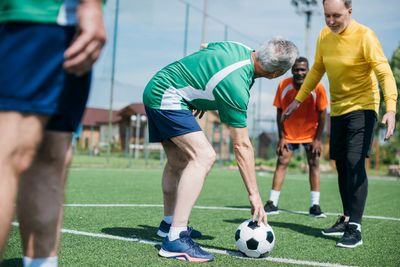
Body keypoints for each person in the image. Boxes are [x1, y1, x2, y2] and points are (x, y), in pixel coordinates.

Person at [143, 36, 299, 262]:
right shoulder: (236, 87)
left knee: (178, 161)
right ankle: (175, 240)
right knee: (204, 156)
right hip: (167, 96)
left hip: (160, 88)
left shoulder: (239, 48)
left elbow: (205, 48)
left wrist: (198, 93)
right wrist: (255, 196)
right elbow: (242, 145)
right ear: (277, 73)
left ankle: (168, 224)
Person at [282, 0, 397, 248]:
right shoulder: (324, 35)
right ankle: (346, 218)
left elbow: (384, 73)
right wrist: (298, 100)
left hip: (364, 107)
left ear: (349, 11)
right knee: (342, 165)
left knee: (355, 162)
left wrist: (391, 108)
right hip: (339, 110)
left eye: (336, 15)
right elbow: (317, 70)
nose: (331, 21)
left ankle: (355, 227)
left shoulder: (365, 36)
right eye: (327, 16)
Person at [0, 0, 106, 265]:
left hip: (57, 23)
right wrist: (91, 5)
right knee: (7, 151)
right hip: (34, 15)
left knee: (51, 156)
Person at [263, 57, 329, 218]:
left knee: (314, 163)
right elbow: (279, 111)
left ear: (308, 70)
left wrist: (317, 139)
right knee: (282, 162)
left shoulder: (318, 86)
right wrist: (281, 137)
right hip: (289, 134)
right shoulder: (283, 85)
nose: (300, 72)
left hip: (310, 134)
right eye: (297, 69)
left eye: (303, 69)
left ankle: (315, 205)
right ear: (292, 70)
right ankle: (272, 203)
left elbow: (323, 113)